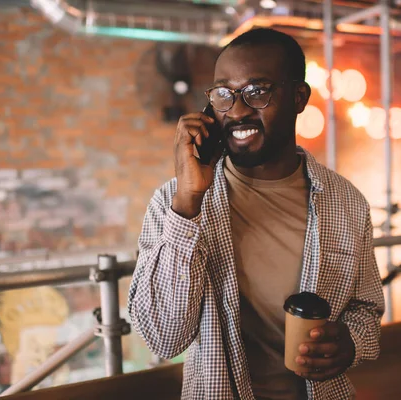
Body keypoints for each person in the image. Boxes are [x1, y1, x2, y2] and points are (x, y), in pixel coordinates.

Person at [127, 28, 385, 400]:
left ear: (298, 97)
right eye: (223, 95)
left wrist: (352, 343)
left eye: (257, 91)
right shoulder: (175, 203)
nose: (238, 109)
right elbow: (163, 337)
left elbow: (365, 310)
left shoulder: (346, 203)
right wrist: (188, 203)